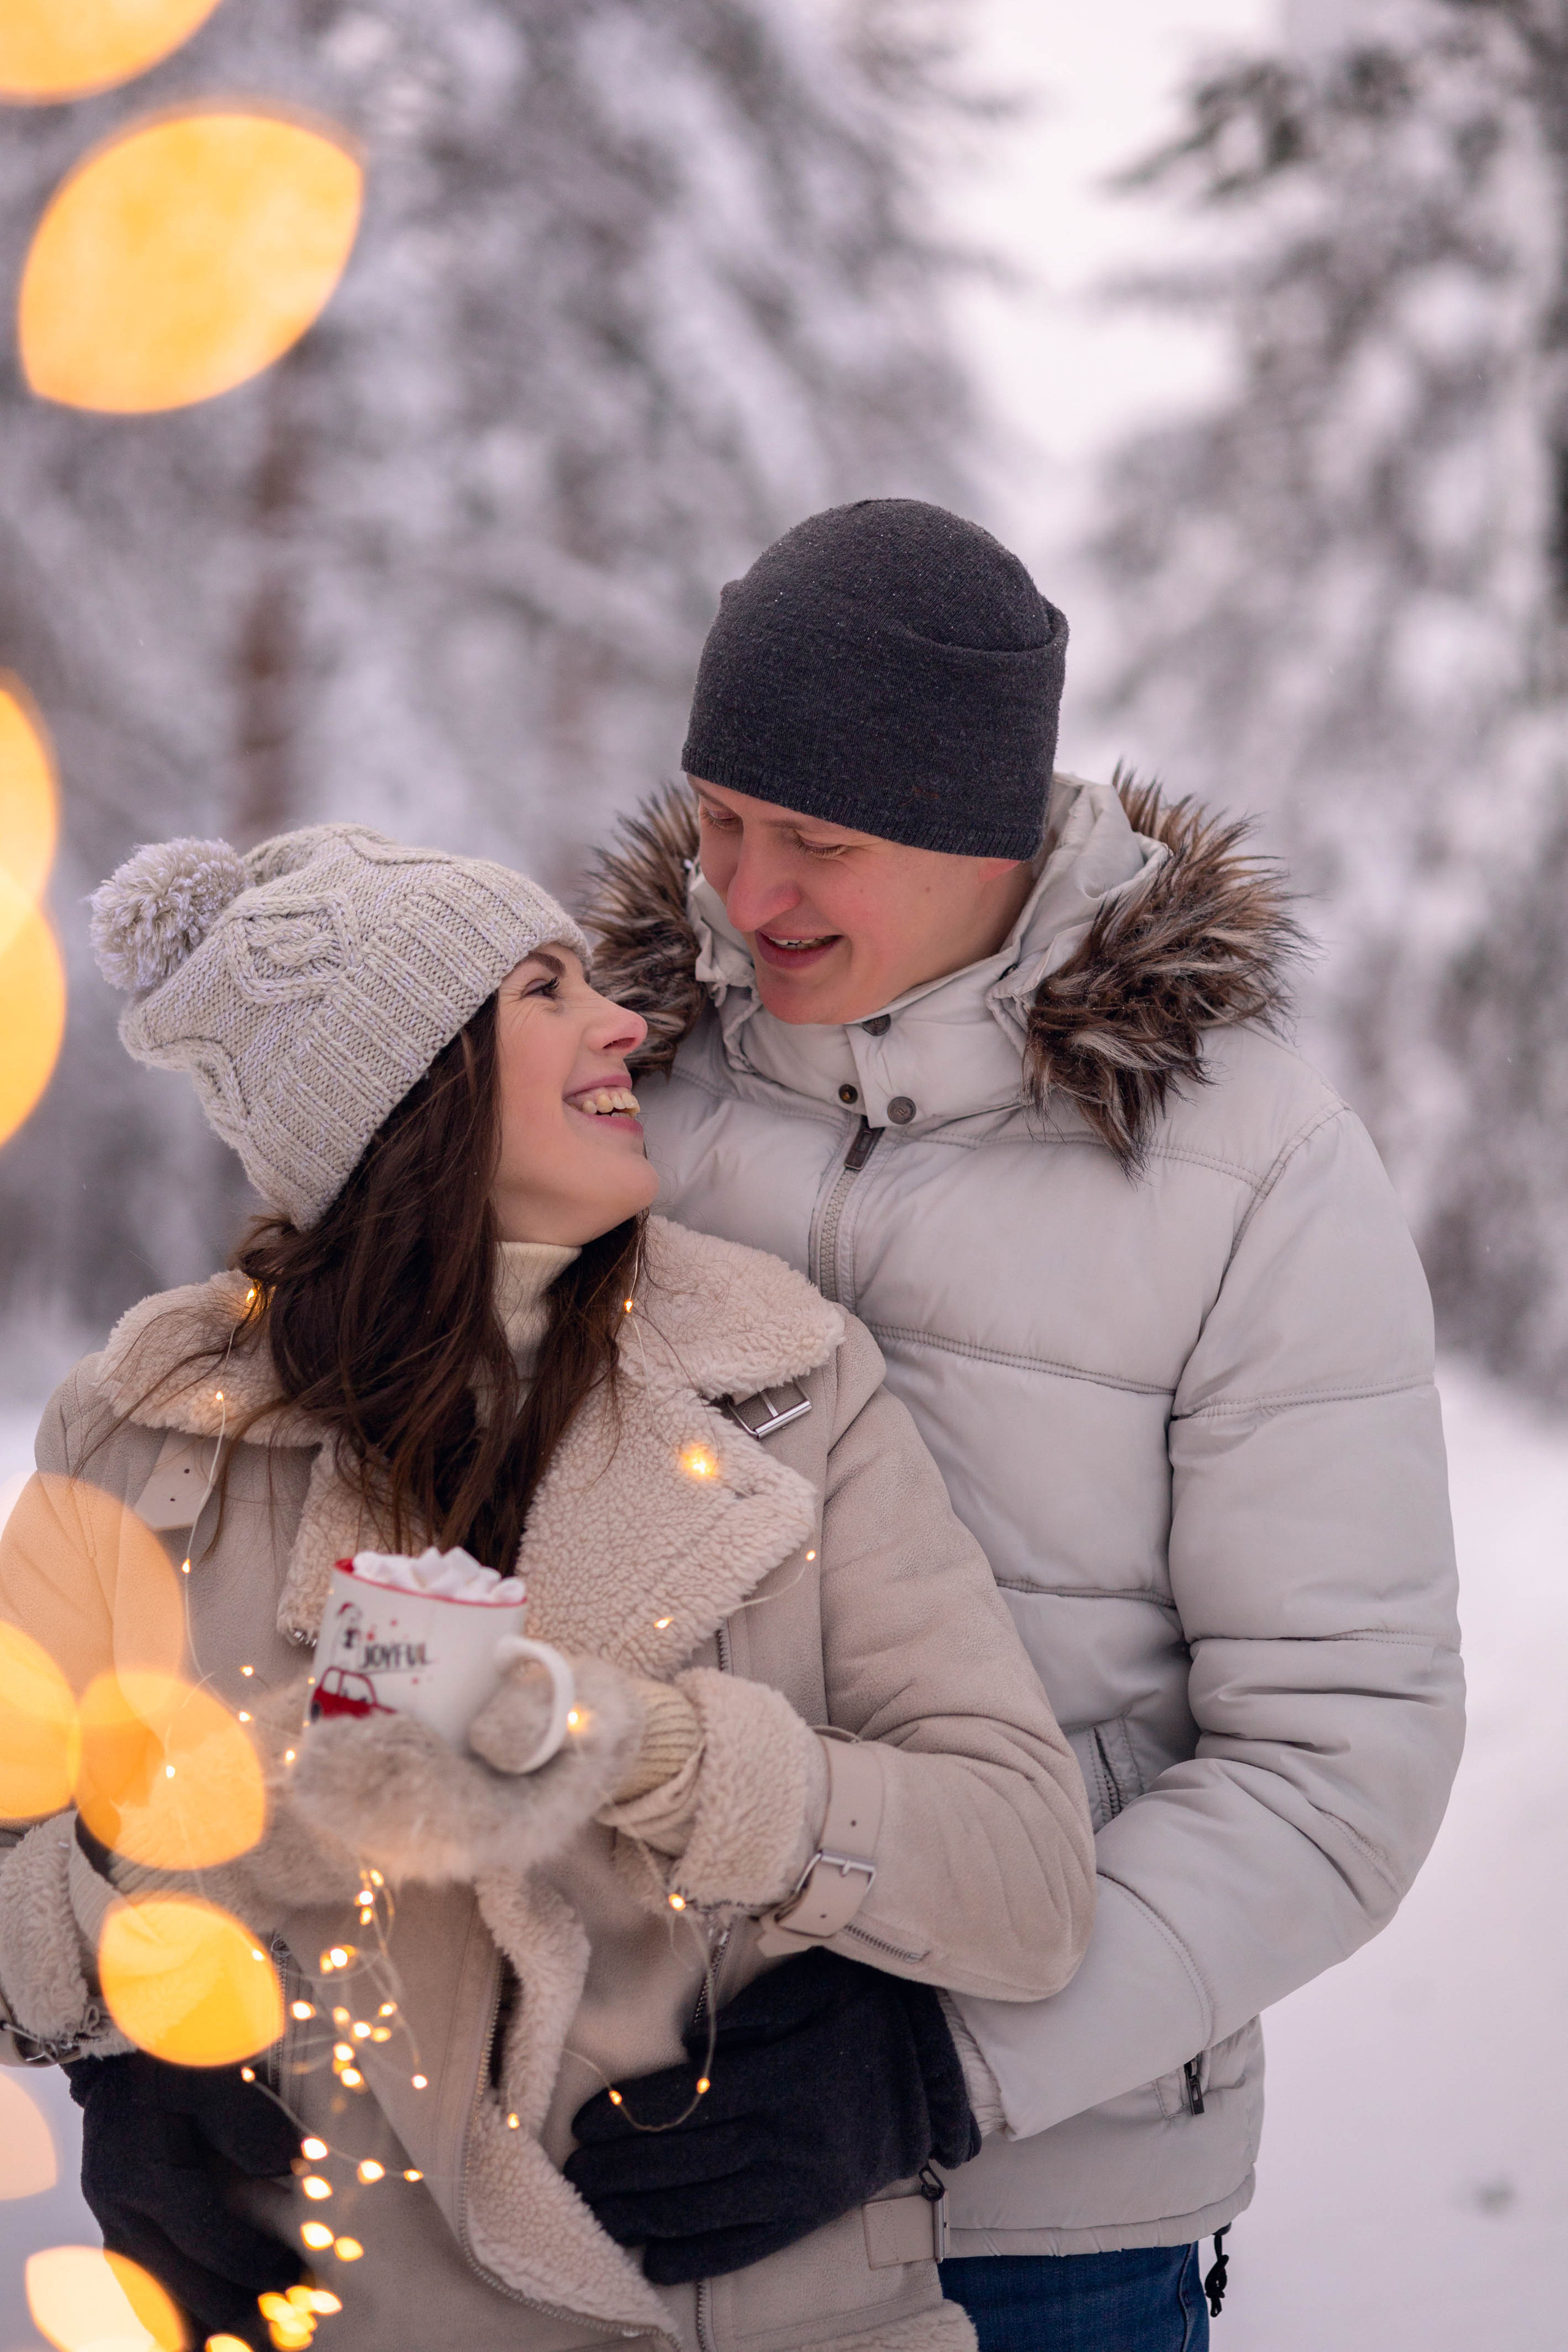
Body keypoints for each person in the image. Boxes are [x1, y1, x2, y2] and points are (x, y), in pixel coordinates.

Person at [0, 823, 1095, 2352]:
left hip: (746, 2314)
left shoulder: (787, 1388)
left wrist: (659, 1752)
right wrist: (128, 2033)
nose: (625, 1024)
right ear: (409, 1088)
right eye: (544, 987)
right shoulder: (143, 1431)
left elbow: (1028, 1877)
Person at [576, 499, 1467, 2351]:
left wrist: (938, 2061)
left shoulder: (1250, 1170)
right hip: (601, 2159)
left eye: (819, 838)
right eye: (722, 817)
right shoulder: (606, 1093)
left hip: (1038, 2220)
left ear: (988, 827)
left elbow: (1338, 1759)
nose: (748, 896)